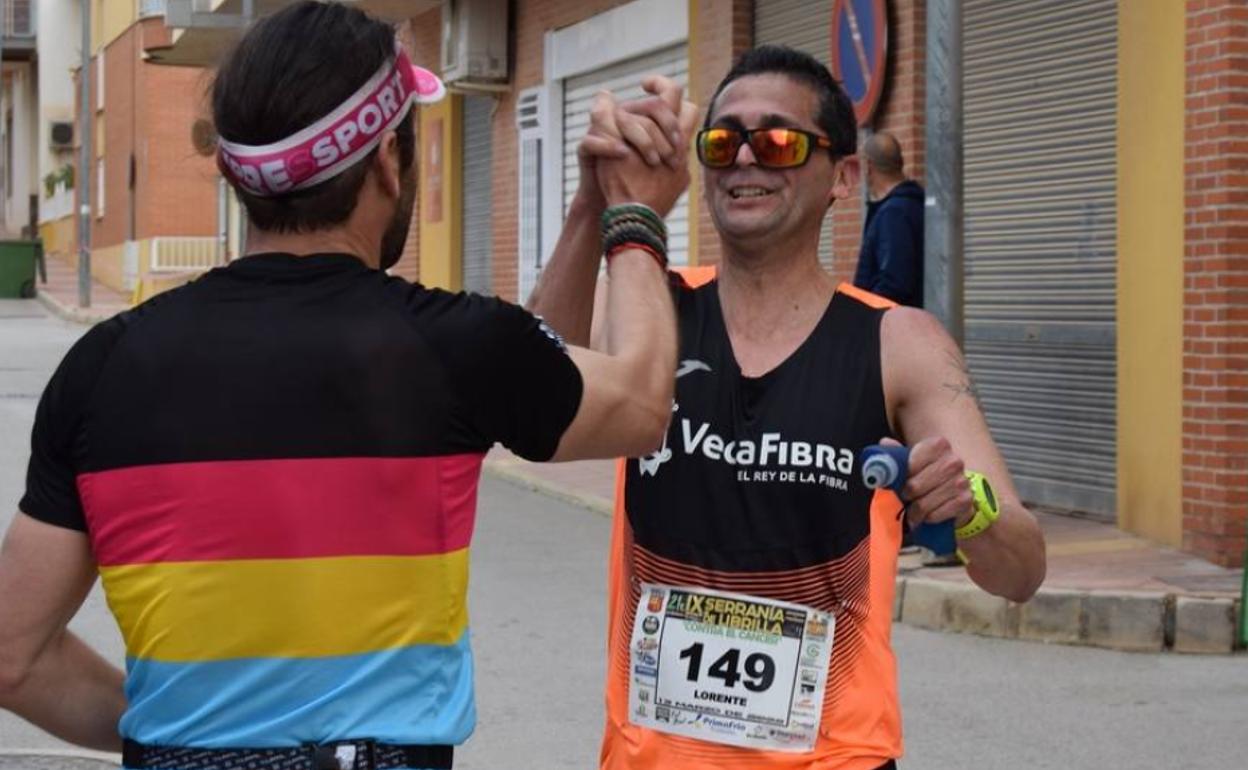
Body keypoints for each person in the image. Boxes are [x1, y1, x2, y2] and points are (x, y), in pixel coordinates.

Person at [0, 2, 695, 767]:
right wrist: (634, 216)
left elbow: (15, 657)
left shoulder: (102, 366)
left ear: (235, 173)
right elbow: (636, 404)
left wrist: (187, 731)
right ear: (388, 164)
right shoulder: (453, 346)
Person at [532, 45, 1046, 770]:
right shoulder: (653, 313)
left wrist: (974, 507)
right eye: (722, 141)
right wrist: (597, 201)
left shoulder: (900, 343)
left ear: (843, 176)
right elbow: (532, 403)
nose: (746, 159)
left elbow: (1021, 571)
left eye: (777, 141)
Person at [853, 132, 925, 308]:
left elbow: (894, 283)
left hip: (893, 327)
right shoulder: (913, 205)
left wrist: (861, 315)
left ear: (869, 166)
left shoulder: (894, 213)